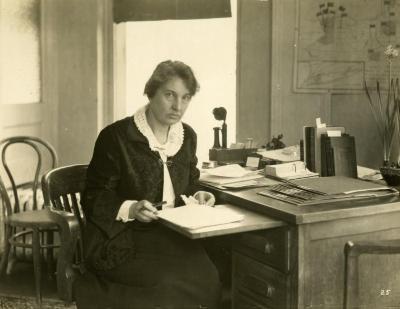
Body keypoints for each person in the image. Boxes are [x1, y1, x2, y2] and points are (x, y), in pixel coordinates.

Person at [79, 60, 221, 309]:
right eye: (170, 95)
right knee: (168, 283)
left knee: (208, 276)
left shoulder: (187, 137)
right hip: (121, 237)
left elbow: (188, 184)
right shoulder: (116, 137)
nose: (178, 106)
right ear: (151, 92)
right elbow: (93, 198)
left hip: (170, 234)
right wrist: (131, 208)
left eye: (186, 98)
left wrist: (198, 195)